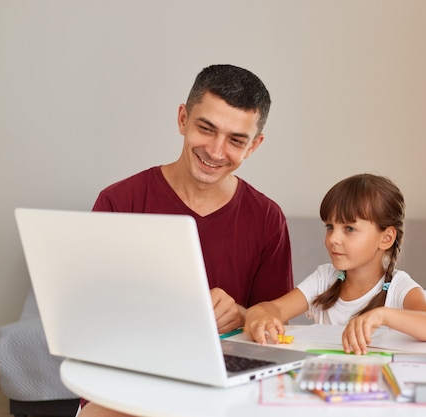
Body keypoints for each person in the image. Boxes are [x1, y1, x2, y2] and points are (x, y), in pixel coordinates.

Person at [78, 65, 293, 416]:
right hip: (129, 384)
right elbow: (90, 321)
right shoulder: (120, 202)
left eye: (236, 140)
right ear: (182, 119)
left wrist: (240, 315)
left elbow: (274, 332)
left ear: (254, 146)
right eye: (206, 129)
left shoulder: (268, 219)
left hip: (224, 390)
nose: (216, 151)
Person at [244, 173, 426, 355]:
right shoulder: (324, 278)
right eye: (330, 227)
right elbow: (274, 309)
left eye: (349, 228)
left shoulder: (398, 286)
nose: (333, 238)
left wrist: (383, 316)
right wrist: (259, 315)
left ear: (386, 238)